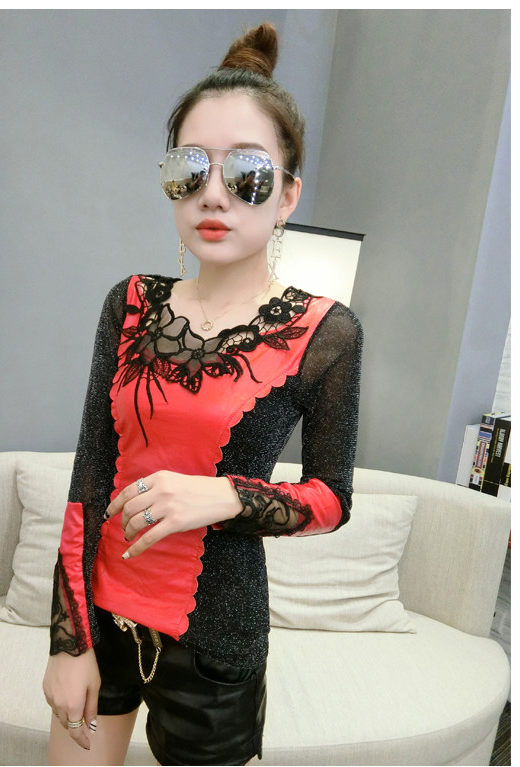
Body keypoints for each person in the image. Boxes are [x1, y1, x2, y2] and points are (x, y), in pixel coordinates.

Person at [43, 21, 362, 767]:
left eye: (247, 172)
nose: (213, 193)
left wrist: (223, 496)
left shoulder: (327, 332)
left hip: (216, 639)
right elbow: (89, 477)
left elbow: (332, 498)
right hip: (101, 620)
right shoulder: (129, 303)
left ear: (287, 195)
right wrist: (68, 641)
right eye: (190, 169)